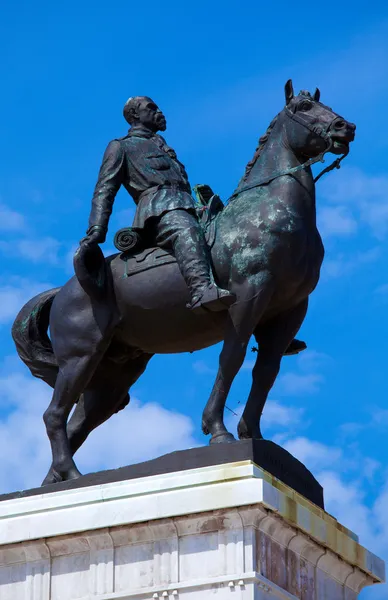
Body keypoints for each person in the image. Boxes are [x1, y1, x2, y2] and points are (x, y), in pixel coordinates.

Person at [83, 95, 235, 313]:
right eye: (151, 108)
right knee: (186, 231)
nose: (159, 112)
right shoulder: (121, 147)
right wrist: (97, 230)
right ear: (135, 115)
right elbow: (104, 190)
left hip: (187, 205)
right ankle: (201, 289)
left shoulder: (164, 147)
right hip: (158, 213)